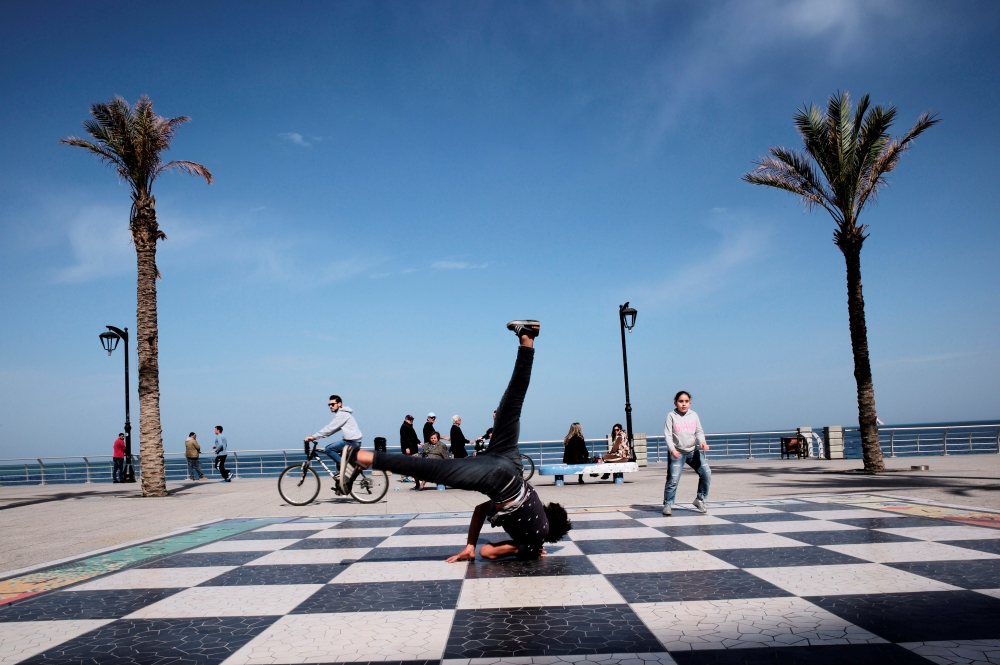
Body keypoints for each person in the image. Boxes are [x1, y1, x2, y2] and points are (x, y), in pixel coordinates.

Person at [344, 320, 572, 561]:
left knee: (512, 404)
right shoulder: (536, 537)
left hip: (512, 466)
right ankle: (363, 457)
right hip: (504, 481)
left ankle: (527, 340)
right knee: (436, 470)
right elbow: (490, 552)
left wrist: (470, 545)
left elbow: (479, 510)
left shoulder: (535, 508)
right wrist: (524, 550)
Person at [662, 391, 711, 516]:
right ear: (675, 403)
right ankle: (668, 504)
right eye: (681, 401)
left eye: (686, 401)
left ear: (690, 403)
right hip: (677, 452)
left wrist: (702, 442)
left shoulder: (693, 415)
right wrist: (672, 449)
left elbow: (699, 431)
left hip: (693, 451)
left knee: (706, 473)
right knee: (673, 479)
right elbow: (668, 435)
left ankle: (699, 499)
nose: (683, 404)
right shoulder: (671, 416)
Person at [304, 395, 363, 491]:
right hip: (352, 441)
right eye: (329, 405)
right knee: (336, 455)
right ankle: (342, 480)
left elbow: (330, 428)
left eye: (332, 404)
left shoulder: (342, 414)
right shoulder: (342, 414)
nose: (330, 406)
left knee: (329, 449)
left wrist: (314, 437)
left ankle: (345, 470)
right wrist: (320, 436)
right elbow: (332, 430)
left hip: (351, 442)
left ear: (339, 404)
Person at [399, 414, 420, 483]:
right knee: (410, 463)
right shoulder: (404, 427)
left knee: (410, 463)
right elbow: (404, 439)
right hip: (410, 448)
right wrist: (406, 448)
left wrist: (419, 442)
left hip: (413, 447)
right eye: (409, 419)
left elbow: (413, 437)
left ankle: (413, 477)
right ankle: (405, 477)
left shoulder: (409, 427)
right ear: (406, 419)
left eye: (412, 419)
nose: (411, 421)